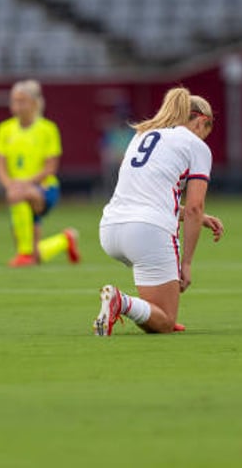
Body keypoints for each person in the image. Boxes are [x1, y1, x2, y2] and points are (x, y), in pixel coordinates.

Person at [94, 86, 225, 336]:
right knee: (165, 322)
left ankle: (145, 309)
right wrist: (186, 264)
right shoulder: (196, 146)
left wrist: (187, 214)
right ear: (201, 121)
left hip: (110, 229)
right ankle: (121, 302)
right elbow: (196, 206)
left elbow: (147, 192)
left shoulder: (143, 134)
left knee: (156, 312)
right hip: (146, 233)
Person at [0, 79, 79, 267]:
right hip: (18, 190)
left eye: (21, 101)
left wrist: (23, 184)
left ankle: (24, 254)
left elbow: (50, 168)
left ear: (34, 103)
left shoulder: (48, 129)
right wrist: (10, 184)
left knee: (19, 196)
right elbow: (0, 165)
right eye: (14, 100)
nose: (16, 105)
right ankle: (66, 239)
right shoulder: (4, 129)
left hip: (45, 188)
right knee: (37, 255)